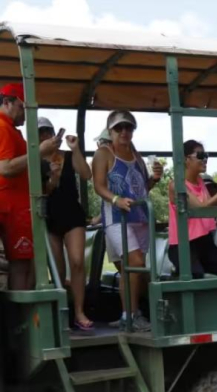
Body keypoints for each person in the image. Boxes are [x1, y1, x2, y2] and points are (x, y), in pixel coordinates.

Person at [92, 110, 163, 331]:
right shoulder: (104, 153)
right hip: (116, 218)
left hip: (139, 217)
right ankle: (131, 315)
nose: (124, 132)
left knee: (131, 271)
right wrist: (116, 200)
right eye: (119, 128)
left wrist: (154, 179)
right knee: (135, 264)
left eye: (129, 127)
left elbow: (142, 190)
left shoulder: (137, 155)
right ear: (110, 131)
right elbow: (98, 186)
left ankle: (129, 315)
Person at [0, 83, 62, 290]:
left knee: (24, 265)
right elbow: (6, 168)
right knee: (20, 267)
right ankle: (20, 319)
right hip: (9, 210)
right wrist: (39, 152)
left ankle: (22, 318)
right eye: (22, 108)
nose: (25, 115)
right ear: (7, 102)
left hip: (18, 209)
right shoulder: (3, 129)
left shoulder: (13, 132)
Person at [38, 117, 94, 331]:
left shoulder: (69, 156)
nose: (46, 136)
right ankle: (61, 315)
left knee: (78, 262)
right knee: (58, 269)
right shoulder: (35, 160)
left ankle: (80, 312)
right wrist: (53, 179)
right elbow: (41, 193)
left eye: (48, 132)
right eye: (41, 133)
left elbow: (87, 174)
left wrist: (75, 148)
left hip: (72, 215)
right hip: (50, 217)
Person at [167, 140, 217, 279]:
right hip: (183, 247)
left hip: (205, 244)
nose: (205, 159)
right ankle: (177, 277)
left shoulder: (200, 182)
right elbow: (201, 209)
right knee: (196, 275)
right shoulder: (176, 185)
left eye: (206, 155)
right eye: (200, 155)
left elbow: (211, 207)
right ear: (186, 159)